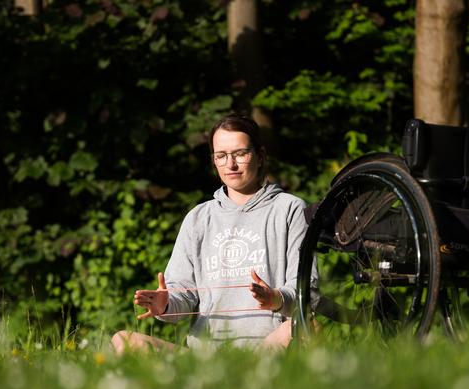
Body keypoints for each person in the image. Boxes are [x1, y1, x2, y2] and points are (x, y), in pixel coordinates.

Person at [112, 114, 316, 354]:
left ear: (260, 156)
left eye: (240, 154)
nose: (231, 164)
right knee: (122, 339)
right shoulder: (198, 218)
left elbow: (308, 292)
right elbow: (182, 294)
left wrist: (277, 299)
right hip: (203, 357)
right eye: (221, 156)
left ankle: (252, 371)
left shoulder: (289, 209)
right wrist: (165, 304)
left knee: (306, 327)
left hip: (266, 350)